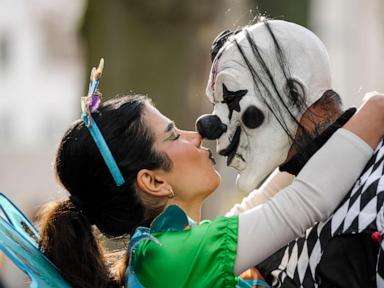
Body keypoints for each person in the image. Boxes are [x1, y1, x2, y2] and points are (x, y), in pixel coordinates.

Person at [37, 60, 384, 288]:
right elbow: (306, 201)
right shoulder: (172, 258)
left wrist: (296, 139)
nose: (197, 134)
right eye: (174, 135)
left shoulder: (161, 254)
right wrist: (376, 108)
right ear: (154, 181)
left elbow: (264, 204)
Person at [196, 18, 384, 287]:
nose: (210, 128)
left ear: (294, 95)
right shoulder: (280, 219)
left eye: (230, 99)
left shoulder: (373, 196)